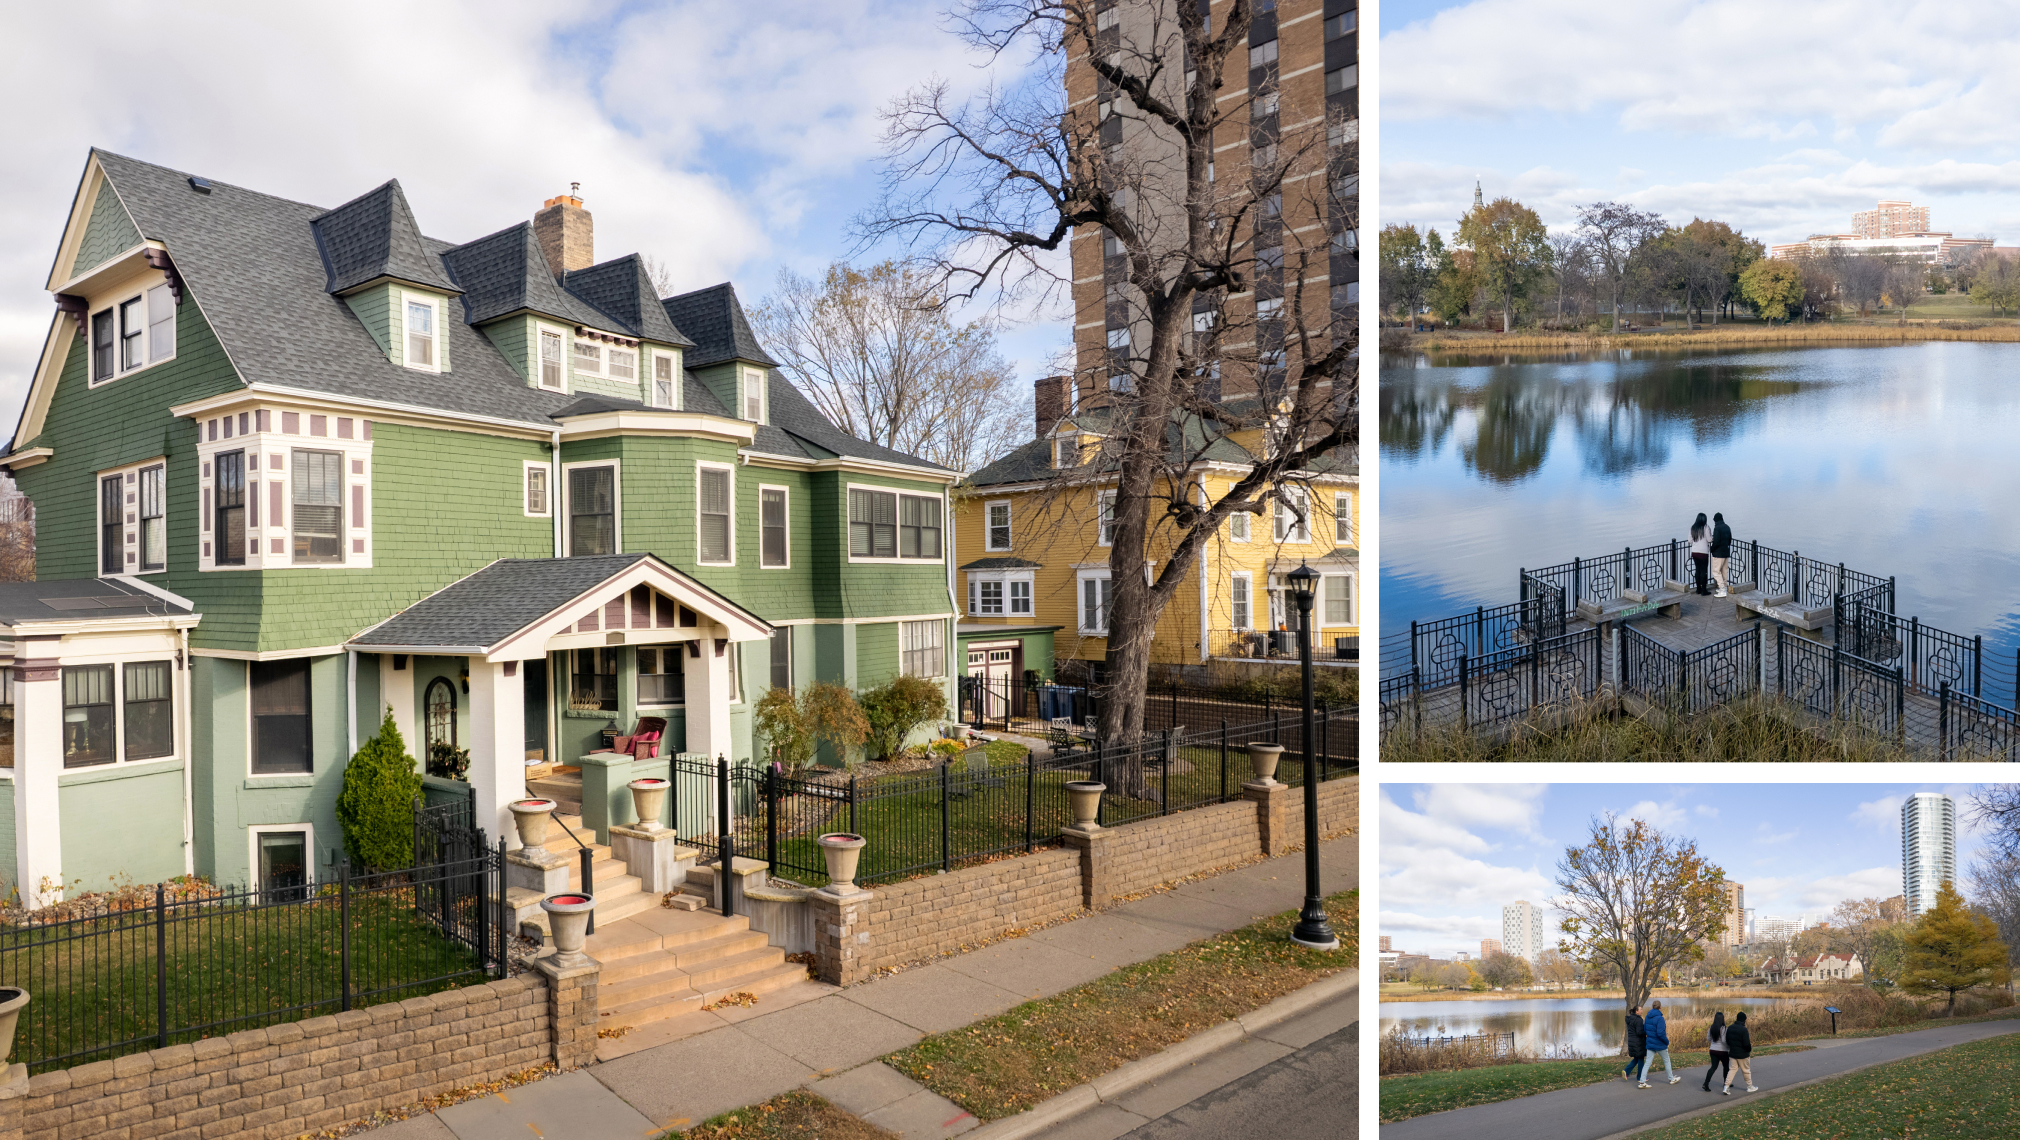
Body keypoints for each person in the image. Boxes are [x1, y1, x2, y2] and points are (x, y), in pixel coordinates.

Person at [1638, 999, 1680, 1086]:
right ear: (1660, 1007)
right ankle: (1671, 1079)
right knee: (1666, 1061)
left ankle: (1642, 1081)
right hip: (1660, 1044)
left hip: (1650, 1043)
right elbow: (1660, 1033)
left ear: (1653, 1006)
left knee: (1648, 1063)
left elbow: (1645, 1030)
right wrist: (1666, 1041)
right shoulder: (1660, 1018)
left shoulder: (1647, 1017)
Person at [1723, 1011, 1757, 1094]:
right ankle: (1749, 1086)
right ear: (1744, 1020)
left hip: (1733, 1053)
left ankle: (1726, 1087)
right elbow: (1746, 1043)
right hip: (1743, 1054)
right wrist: (1749, 1050)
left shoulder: (1730, 1028)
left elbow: (1727, 1040)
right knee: (1746, 1070)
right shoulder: (1744, 1030)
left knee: (1732, 1070)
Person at [1701, 1011, 1729, 1091]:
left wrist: (1713, 1043)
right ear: (1722, 1019)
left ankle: (1706, 1083)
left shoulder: (1711, 1027)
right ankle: (1726, 1083)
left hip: (1713, 1050)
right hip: (1723, 1051)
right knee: (1726, 1067)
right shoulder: (1724, 1028)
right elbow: (1724, 1041)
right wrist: (1728, 1047)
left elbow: (1708, 1038)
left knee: (1713, 1067)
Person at [1709, 512, 1733, 598]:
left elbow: (1716, 542)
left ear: (1715, 520)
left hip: (1718, 554)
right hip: (1726, 552)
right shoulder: (1727, 527)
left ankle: (1722, 589)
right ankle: (1724, 587)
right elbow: (1730, 540)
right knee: (1724, 570)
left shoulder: (1717, 529)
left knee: (1716, 571)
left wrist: (1712, 549)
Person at [1621, 1005, 1647, 1081]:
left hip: (1632, 1042)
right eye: (1640, 1009)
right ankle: (1640, 1077)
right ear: (1637, 1011)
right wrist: (1646, 1032)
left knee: (1636, 1058)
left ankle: (1626, 1071)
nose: (1642, 1011)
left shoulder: (1630, 1018)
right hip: (1638, 1042)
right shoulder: (1638, 1020)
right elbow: (1639, 1032)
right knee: (1641, 1059)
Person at [1688, 514, 1712, 596]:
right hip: (1703, 552)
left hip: (1694, 552)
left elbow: (1690, 540)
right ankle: (1704, 590)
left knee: (1697, 570)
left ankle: (1698, 588)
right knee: (1703, 571)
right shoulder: (1705, 527)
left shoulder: (1693, 527)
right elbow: (1709, 539)